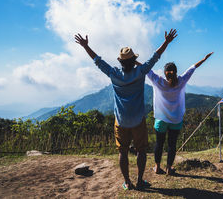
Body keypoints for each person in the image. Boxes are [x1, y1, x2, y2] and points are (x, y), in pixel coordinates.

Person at [74, 29, 177, 190]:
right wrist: (167, 42)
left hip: (121, 121)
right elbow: (155, 57)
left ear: (121, 63)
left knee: (122, 151)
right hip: (138, 120)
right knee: (141, 151)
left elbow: (98, 61)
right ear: (134, 60)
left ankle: (127, 182)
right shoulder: (140, 71)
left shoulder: (113, 73)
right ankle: (140, 180)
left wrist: (86, 46)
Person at [147, 52, 213, 175]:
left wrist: (132, 61)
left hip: (161, 120)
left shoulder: (159, 81)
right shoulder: (181, 81)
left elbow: (146, 69)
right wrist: (204, 59)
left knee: (159, 144)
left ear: (165, 73)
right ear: (176, 72)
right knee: (172, 145)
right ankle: (169, 168)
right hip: (176, 119)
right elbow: (192, 68)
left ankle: (157, 167)